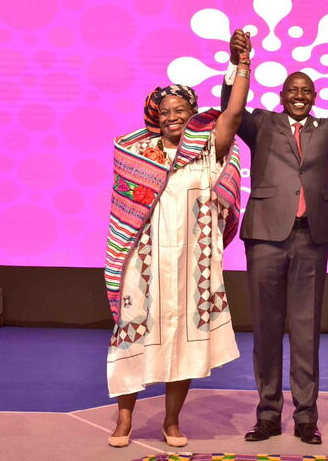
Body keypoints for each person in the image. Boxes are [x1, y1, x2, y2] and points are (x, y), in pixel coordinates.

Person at [220, 30, 328, 445]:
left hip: (310, 237)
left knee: (306, 328)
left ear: (313, 97)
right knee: (265, 328)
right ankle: (268, 414)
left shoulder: (326, 130)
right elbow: (230, 108)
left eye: (306, 91)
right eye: (293, 89)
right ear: (281, 94)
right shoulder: (260, 124)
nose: (299, 95)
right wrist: (238, 62)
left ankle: (307, 417)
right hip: (265, 238)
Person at [103, 34, 251, 448]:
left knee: (185, 343)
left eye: (181, 110)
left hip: (193, 264)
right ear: (155, 115)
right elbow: (125, 213)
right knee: (131, 340)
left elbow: (234, 116)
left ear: (193, 113)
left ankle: (171, 421)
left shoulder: (207, 149)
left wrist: (242, 64)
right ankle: (124, 420)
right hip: (144, 265)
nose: (172, 116)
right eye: (165, 111)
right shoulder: (136, 152)